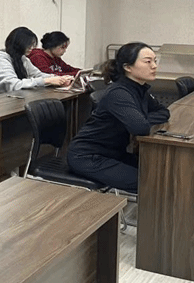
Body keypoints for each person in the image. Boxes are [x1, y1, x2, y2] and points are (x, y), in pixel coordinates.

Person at [67, 42, 170, 193]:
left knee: (162, 171)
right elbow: (140, 128)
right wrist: (139, 120)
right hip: (88, 157)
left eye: (155, 61)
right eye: (148, 62)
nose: (154, 66)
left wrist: (140, 118)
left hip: (114, 153)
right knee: (149, 181)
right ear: (127, 67)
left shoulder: (139, 89)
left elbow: (163, 111)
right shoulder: (119, 93)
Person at [0, 27, 72, 98]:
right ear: (19, 44)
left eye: (33, 45)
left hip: (8, 98)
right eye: (29, 45)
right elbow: (15, 85)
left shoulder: (22, 59)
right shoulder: (0, 60)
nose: (32, 48)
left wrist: (59, 79)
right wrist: (47, 81)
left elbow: (37, 74)